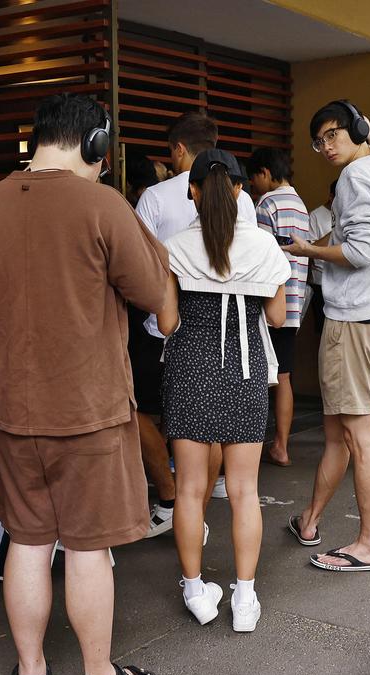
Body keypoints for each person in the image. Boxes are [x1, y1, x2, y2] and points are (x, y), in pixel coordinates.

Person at [0, 92, 166, 675]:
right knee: (90, 548)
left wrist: (3, 347)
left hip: (14, 409)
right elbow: (154, 297)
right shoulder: (102, 204)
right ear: (96, 144)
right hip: (91, 409)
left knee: (28, 542)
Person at [158, 149, 289, 630]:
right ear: (240, 191)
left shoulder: (172, 247)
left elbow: (168, 322)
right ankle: (246, 600)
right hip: (245, 371)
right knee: (244, 491)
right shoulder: (264, 247)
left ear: (192, 191)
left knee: (191, 491)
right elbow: (276, 318)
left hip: (190, 369)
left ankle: (196, 592)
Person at [284, 99, 370, 571]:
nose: (325, 147)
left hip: (352, 321)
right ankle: (309, 521)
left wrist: (308, 249)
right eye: (319, 141)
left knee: (359, 435)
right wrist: (367, 129)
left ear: (353, 129)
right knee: (338, 434)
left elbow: (357, 251)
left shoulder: (355, 178)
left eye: (332, 134)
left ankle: (369, 544)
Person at [136, 111, 256, 527]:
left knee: (146, 414)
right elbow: (261, 281)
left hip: (172, 336)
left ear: (180, 150)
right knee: (220, 427)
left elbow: (143, 266)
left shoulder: (154, 197)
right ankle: (203, 498)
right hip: (237, 339)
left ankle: (176, 499)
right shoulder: (246, 202)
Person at [248, 147, 310, 468]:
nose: (253, 184)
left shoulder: (266, 204)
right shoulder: (301, 207)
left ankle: (252, 446)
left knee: (260, 377)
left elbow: (261, 258)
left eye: (254, 177)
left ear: (265, 173)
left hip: (269, 303)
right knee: (283, 377)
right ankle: (282, 446)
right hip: (295, 303)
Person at [303, 181, 337, 335]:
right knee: (322, 329)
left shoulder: (348, 215)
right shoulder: (316, 216)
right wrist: (335, 232)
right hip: (320, 281)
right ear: (331, 197)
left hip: (341, 281)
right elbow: (309, 249)